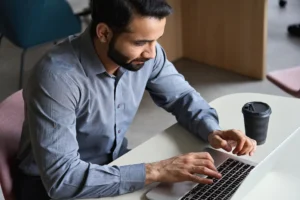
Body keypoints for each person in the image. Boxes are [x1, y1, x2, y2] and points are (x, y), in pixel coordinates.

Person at [14, 0, 257, 199]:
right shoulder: (57, 78)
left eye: (156, 39)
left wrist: (212, 130)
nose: (151, 53)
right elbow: (62, 179)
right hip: (50, 186)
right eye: (140, 42)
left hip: (116, 162)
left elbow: (182, 97)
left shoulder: (148, 55)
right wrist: (156, 170)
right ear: (104, 32)